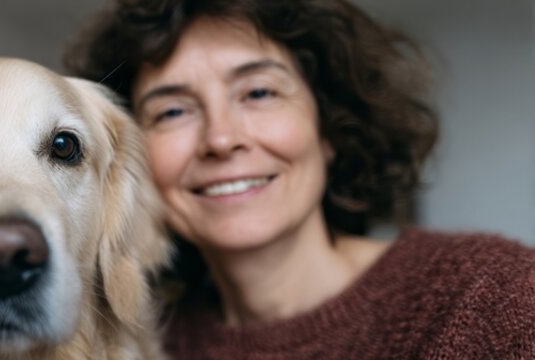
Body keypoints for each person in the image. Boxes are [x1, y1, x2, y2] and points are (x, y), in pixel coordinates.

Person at [66, 0, 535, 358]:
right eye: (172, 110)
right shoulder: (135, 345)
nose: (221, 138)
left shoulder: (490, 296)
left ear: (329, 127)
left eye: (259, 92)